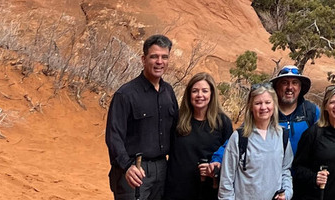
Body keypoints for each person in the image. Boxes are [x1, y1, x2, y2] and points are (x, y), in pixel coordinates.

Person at [105, 34, 179, 200]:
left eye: (164, 57)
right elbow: (113, 136)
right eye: (154, 57)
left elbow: (177, 129)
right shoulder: (125, 95)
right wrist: (127, 167)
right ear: (144, 59)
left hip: (162, 168)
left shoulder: (168, 92)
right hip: (134, 170)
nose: (159, 62)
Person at [164, 72, 233, 200]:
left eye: (205, 91)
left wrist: (215, 168)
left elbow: (230, 156)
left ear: (212, 94)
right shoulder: (178, 118)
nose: (199, 95)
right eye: (195, 91)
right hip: (177, 190)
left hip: (208, 191)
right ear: (189, 94)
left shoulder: (222, 122)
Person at [219, 84, 293, 200]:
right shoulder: (240, 137)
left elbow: (285, 170)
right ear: (250, 107)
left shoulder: (282, 136)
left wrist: (287, 193)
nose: (263, 107)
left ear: (274, 105)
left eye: (268, 102)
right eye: (258, 103)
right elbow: (226, 180)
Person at [272, 65, 321, 157]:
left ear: (300, 87)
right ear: (276, 87)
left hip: (304, 170)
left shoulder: (312, 112)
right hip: (274, 170)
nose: (290, 87)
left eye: (295, 83)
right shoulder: (267, 111)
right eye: (284, 83)